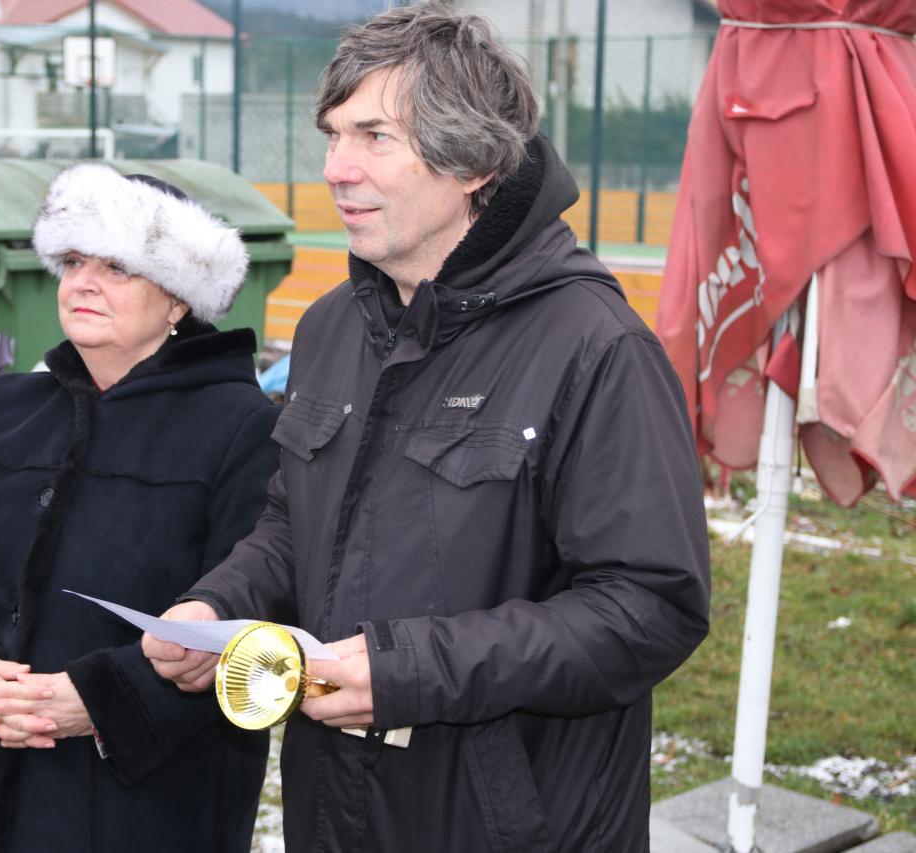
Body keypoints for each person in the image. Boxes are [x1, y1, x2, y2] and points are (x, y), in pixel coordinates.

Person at [143, 5, 711, 851]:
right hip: (334, 811)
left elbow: (650, 607)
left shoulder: (595, 345)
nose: (336, 169)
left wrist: (412, 671)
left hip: (511, 825)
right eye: (333, 135)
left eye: (374, 137)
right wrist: (222, 603)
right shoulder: (332, 326)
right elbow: (297, 522)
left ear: (473, 161)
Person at [0, 163, 279, 853]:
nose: (84, 283)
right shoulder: (2, 409)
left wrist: (104, 700)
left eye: (117, 266)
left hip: (151, 812)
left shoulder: (242, 428)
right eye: (73, 261)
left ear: (178, 299)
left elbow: (252, 615)